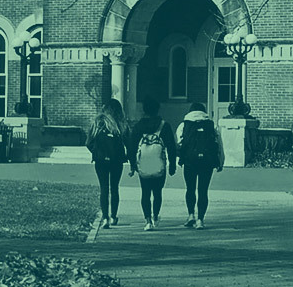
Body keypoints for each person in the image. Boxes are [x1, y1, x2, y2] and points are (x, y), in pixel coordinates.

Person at [127, 95, 177, 230]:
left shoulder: (138, 126)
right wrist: (172, 165)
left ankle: (147, 221)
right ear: (157, 110)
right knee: (157, 193)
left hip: (143, 163)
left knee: (145, 192)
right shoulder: (164, 126)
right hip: (159, 163)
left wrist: (132, 165)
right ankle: (155, 217)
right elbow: (172, 147)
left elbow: (131, 147)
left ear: (144, 110)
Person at [176, 103, 224, 228]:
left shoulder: (184, 125)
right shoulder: (211, 125)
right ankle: (200, 220)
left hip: (189, 161)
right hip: (207, 162)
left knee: (190, 189)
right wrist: (220, 162)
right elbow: (219, 144)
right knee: (203, 191)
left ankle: (191, 215)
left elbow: (179, 143)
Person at [86, 96, 128, 228]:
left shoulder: (98, 122)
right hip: (117, 161)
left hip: (100, 161)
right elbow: (129, 143)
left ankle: (105, 218)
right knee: (114, 188)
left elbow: (88, 143)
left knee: (104, 188)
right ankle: (114, 216)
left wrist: (96, 152)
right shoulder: (121, 124)